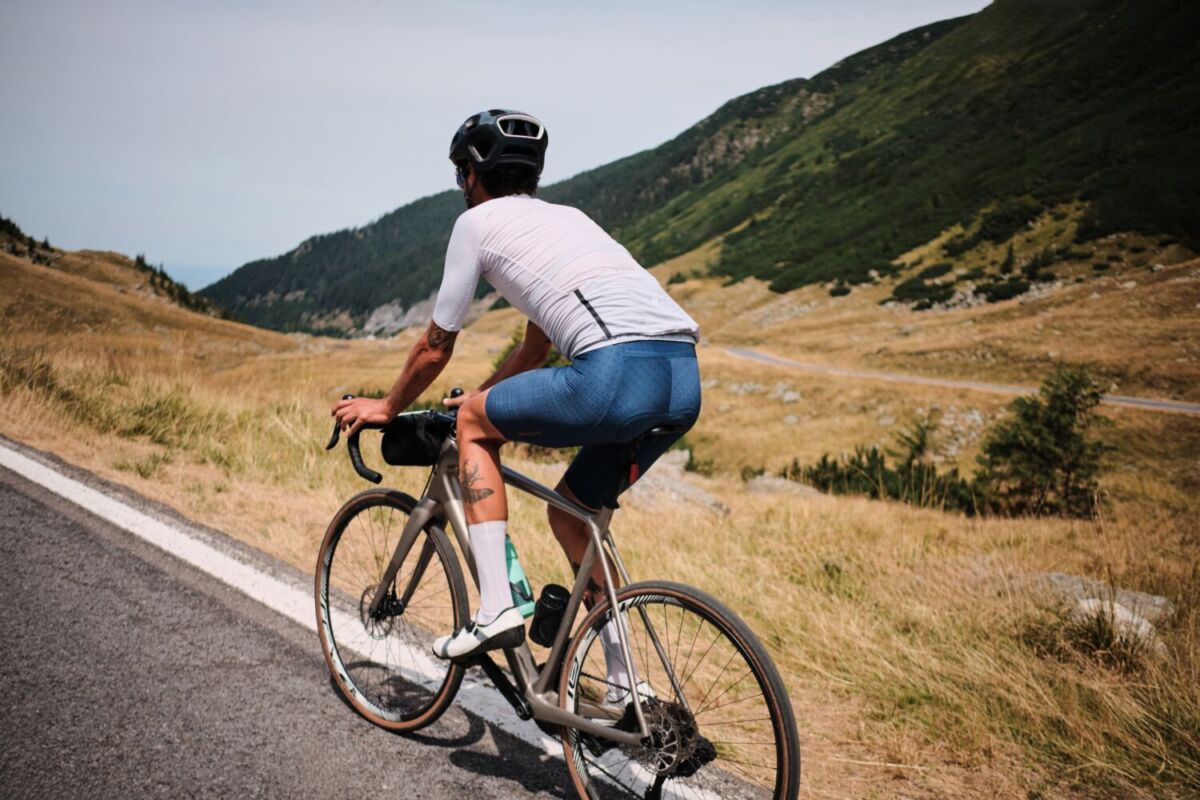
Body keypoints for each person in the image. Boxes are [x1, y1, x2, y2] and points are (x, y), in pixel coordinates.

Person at [332, 109, 701, 702]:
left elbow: (434, 347)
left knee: (475, 429)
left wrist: (388, 404)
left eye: (461, 176)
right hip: (681, 379)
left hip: (611, 374)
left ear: (472, 176)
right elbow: (537, 344)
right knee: (573, 513)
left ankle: (497, 608)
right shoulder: (569, 219)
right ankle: (629, 684)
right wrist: (484, 394)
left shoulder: (477, 225)